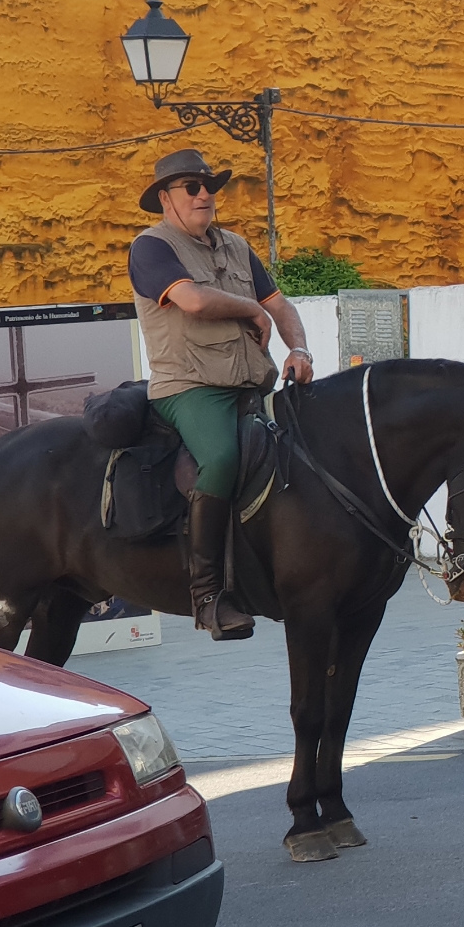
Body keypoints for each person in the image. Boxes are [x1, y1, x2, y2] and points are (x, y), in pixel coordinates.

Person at [128, 149, 314, 638]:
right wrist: (251, 311)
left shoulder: (236, 246)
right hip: (190, 387)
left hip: (252, 382)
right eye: (192, 187)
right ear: (166, 199)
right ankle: (208, 596)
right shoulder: (151, 247)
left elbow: (278, 302)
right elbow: (190, 299)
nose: (204, 194)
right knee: (222, 460)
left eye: (209, 185)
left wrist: (300, 348)